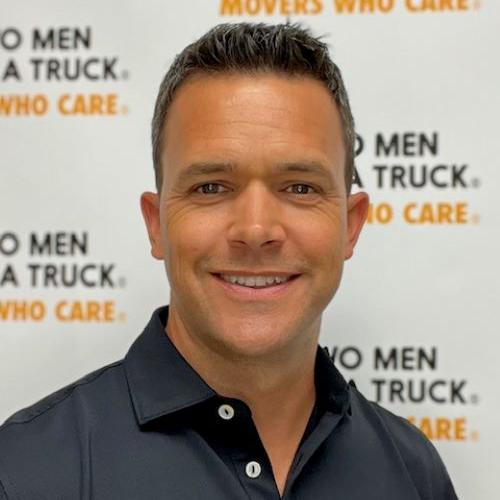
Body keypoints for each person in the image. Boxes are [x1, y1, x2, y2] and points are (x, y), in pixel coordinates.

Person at [0, 22, 457, 499]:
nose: (256, 230)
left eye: (300, 187)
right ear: (156, 224)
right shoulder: (25, 473)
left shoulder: (413, 471)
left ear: (351, 225)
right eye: (211, 187)